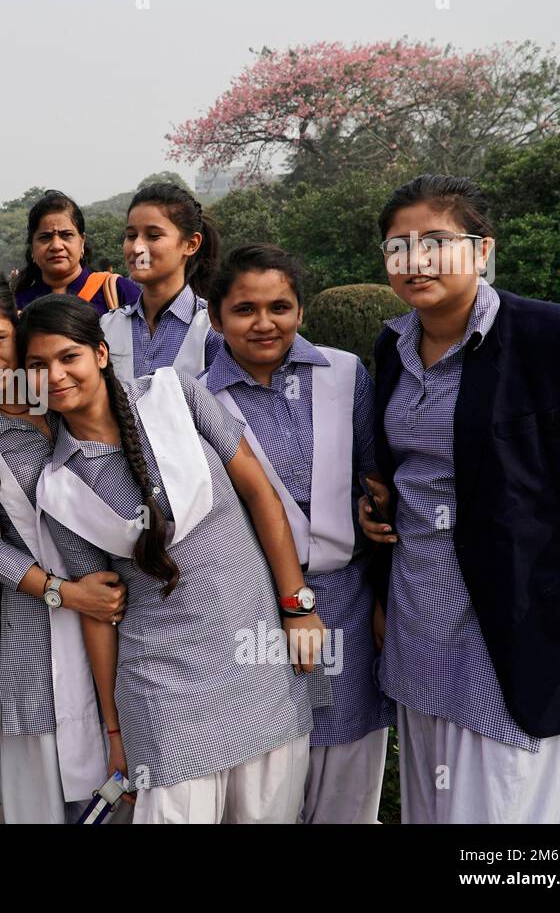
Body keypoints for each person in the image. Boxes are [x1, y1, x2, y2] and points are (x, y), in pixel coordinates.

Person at [360, 173, 560, 823]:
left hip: (520, 629)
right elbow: (404, 468)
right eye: (398, 245)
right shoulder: (393, 346)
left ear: (482, 250)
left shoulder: (555, 338)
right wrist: (369, 503)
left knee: (510, 822)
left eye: (436, 240)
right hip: (421, 621)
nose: (416, 259)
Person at [24, 293, 324, 824]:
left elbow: (261, 495)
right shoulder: (60, 485)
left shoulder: (176, 396)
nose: (55, 375)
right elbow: (101, 611)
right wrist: (114, 733)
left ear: (99, 353)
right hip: (163, 691)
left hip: (258, 660)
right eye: (37, 366)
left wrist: (297, 604)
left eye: (67, 357)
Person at [203, 243, 395, 823]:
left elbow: (377, 480)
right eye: (245, 310)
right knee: (262, 784)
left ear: (301, 311)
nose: (264, 323)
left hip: (348, 605)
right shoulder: (194, 397)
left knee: (348, 776)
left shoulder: (343, 374)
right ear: (216, 318)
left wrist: (383, 587)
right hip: (251, 612)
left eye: (280, 307)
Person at [0, 271, 125, 823]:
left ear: (18, 331)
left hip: (119, 607)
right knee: (43, 777)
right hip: (34, 618)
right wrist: (66, 593)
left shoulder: (72, 397)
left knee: (126, 755)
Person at [101, 182, 224, 382]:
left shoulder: (213, 329)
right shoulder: (107, 325)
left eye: (153, 236)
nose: (137, 247)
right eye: (131, 236)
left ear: (191, 244)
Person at [11, 190, 141, 316]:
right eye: (45, 237)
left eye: (66, 235)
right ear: (32, 248)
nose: (56, 246)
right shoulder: (17, 305)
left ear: (82, 242)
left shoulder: (119, 291)